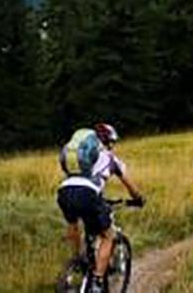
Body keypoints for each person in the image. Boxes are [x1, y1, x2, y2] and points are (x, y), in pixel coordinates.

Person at [57, 123, 144, 293]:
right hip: (88, 194)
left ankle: (77, 262)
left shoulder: (83, 158)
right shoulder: (110, 158)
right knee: (108, 236)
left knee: (73, 224)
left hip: (64, 191)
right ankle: (97, 282)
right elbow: (129, 184)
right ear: (109, 142)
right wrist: (138, 199)